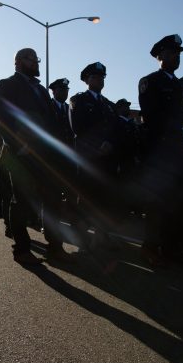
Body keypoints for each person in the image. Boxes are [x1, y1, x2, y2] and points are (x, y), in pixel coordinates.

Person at [0, 47, 74, 264]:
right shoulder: (8, 84)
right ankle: (21, 250)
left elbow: (51, 123)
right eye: (31, 59)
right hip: (20, 154)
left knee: (52, 201)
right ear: (18, 62)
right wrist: (19, 146)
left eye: (37, 59)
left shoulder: (41, 89)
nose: (36, 63)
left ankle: (55, 247)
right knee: (22, 202)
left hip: (45, 157)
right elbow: (2, 119)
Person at [138, 34, 183, 266]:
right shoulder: (150, 81)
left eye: (178, 53)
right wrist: (179, 132)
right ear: (160, 55)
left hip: (178, 154)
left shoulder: (180, 85)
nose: (176, 57)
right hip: (159, 153)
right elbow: (151, 116)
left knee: (176, 203)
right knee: (156, 204)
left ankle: (171, 247)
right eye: (172, 53)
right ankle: (150, 248)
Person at [69, 62, 119, 250]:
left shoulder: (109, 105)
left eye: (102, 77)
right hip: (88, 158)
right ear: (87, 80)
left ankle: (102, 236)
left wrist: (110, 143)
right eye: (95, 77)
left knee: (104, 200)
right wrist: (98, 145)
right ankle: (81, 237)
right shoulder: (78, 100)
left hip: (107, 160)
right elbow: (78, 128)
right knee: (86, 199)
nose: (99, 80)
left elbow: (117, 130)